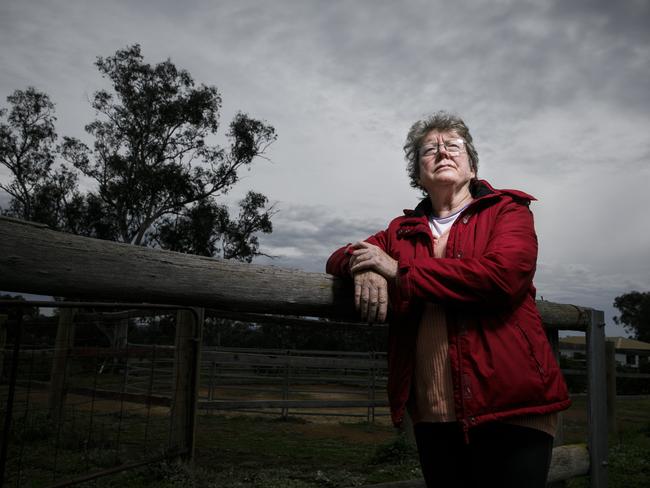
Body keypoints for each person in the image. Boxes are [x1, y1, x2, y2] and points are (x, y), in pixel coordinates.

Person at [326, 112, 570, 487]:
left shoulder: (508, 211)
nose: (442, 152)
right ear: (418, 174)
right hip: (434, 414)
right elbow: (338, 257)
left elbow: (501, 277)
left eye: (452, 146)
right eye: (429, 149)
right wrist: (367, 267)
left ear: (471, 165)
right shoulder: (401, 232)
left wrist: (398, 271)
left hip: (512, 405)